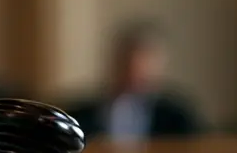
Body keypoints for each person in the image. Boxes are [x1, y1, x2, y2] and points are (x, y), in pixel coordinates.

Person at [67, 22, 204, 141]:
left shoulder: (178, 117)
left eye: (145, 61)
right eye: (126, 61)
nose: (134, 70)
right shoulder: (79, 116)